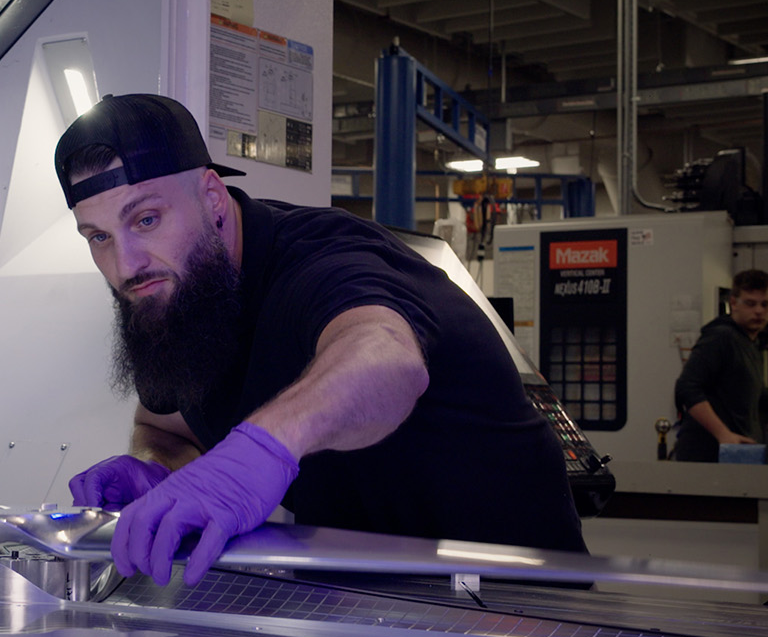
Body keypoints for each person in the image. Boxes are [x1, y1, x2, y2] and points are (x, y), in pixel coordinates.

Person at [54, 94, 587, 587]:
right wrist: (159, 473)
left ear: (213, 197)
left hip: (513, 598)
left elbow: (387, 358)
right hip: (360, 600)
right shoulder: (176, 299)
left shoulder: (321, 260)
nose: (124, 265)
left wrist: (257, 451)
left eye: (146, 219)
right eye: (98, 237)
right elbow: (162, 425)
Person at [673, 269, 768, 462]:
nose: (759, 311)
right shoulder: (720, 337)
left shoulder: (752, 343)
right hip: (709, 456)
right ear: (733, 303)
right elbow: (687, 388)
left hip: (740, 455)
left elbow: (749, 396)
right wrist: (723, 435)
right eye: (750, 303)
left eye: (765, 304)